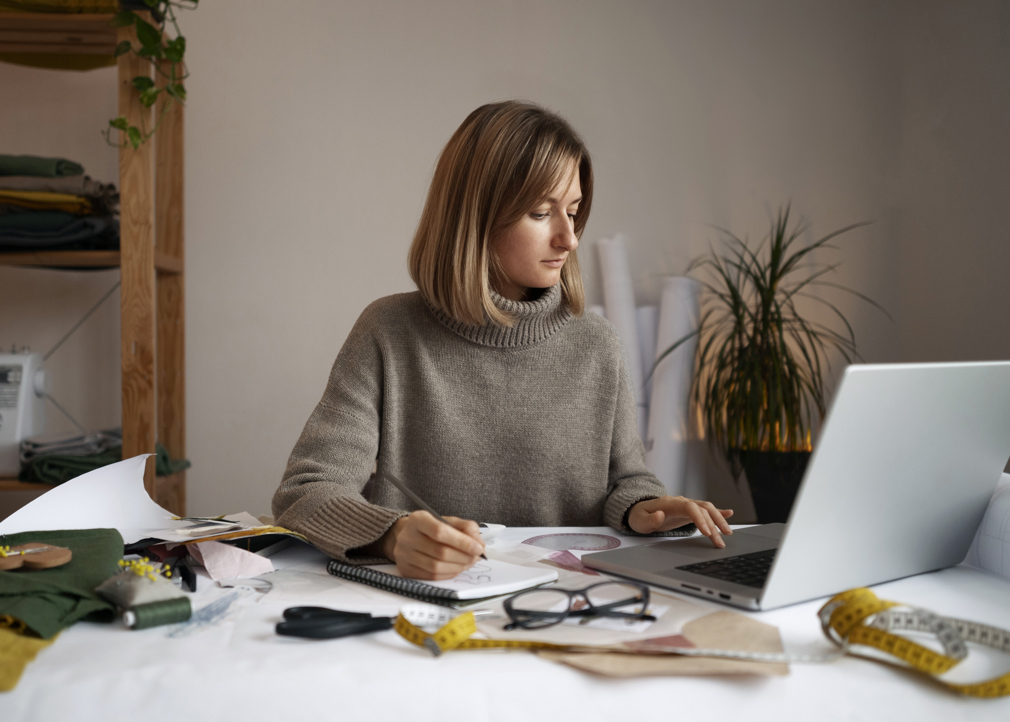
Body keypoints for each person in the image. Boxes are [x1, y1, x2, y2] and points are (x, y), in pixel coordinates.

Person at [272, 101, 733, 581]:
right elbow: (307, 490)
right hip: (423, 608)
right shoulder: (388, 331)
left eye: (573, 212)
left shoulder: (597, 344)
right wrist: (391, 534)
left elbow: (627, 481)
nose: (569, 238)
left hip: (563, 604)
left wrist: (644, 506)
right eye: (541, 213)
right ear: (474, 219)